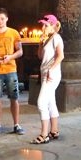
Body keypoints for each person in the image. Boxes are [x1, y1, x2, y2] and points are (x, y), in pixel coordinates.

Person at [31, 14, 64, 144]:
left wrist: (51, 69)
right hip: (44, 72)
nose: (43, 28)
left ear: (53, 26)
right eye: (42, 25)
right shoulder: (47, 38)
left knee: (41, 103)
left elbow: (60, 56)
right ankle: (54, 130)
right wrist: (40, 43)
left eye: (45, 25)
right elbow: (40, 56)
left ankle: (44, 134)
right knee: (50, 102)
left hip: (52, 74)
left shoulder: (56, 37)